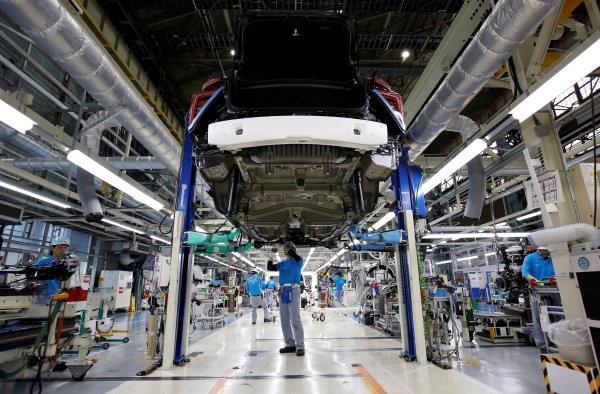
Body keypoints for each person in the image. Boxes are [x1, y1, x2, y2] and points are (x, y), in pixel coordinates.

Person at [267, 241, 305, 356]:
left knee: (295, 319)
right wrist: (272, 254)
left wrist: (288, 247)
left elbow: (295, 255)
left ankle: (300, 346)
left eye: (287, 249)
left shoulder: (298, 261)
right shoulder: (282, 263)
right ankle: (290, 344)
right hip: (283, 290)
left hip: (294, 289)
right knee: (284, 320)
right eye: (285, 249)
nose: (285, 250)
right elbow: (269, 267)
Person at [522, 246, 557, 348]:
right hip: (537, 291)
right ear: (538, 249)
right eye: (543, 250)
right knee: (538, 317)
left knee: (557, 315)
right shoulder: (530, 258)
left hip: (554, 290)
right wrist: (532, 279)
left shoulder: (553, 258)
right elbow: (525, 273)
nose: (545, 252)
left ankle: (557, 340)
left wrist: (555, 278)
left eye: (546, 250)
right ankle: (541, 343)